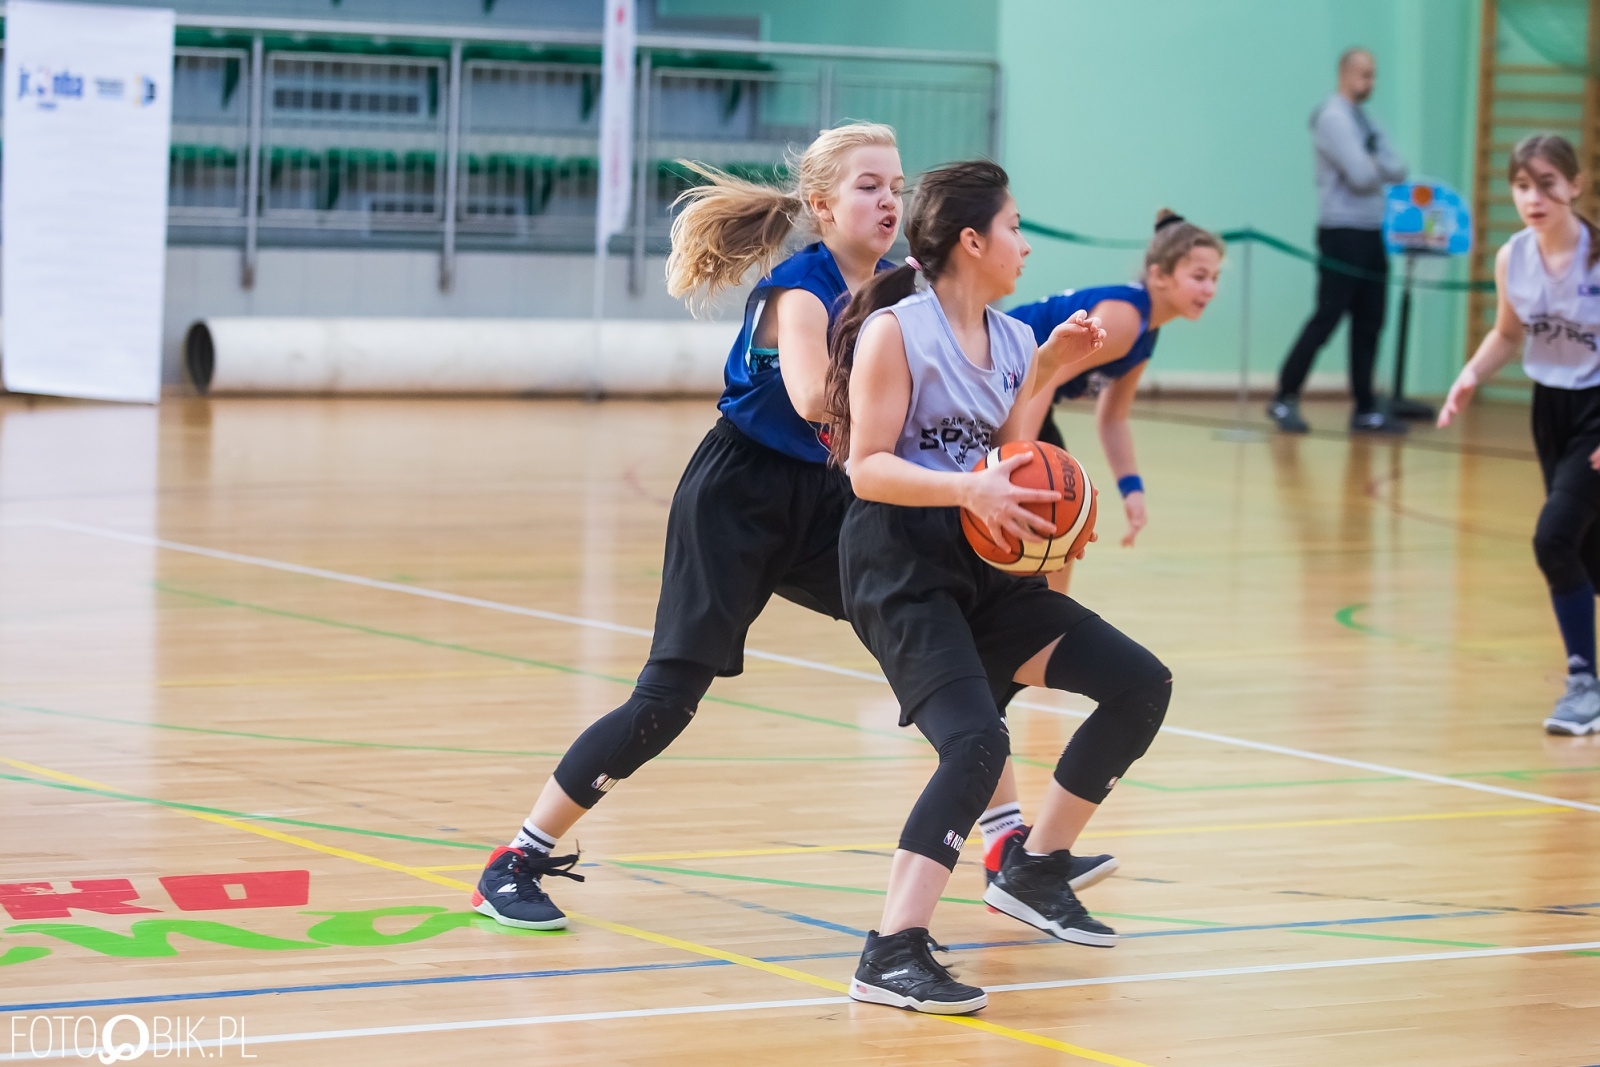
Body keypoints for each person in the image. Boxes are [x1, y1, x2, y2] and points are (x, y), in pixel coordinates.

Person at [468, 122, 911, 930]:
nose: (889, 200)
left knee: (938, 630)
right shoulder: (798, 292)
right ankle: (517, 856)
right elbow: (816, 400)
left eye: (897, 186)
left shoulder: (899, 286)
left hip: (827, 494)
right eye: (869, 186)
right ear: (822, 203)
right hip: (736, 496)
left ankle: (1010, 844)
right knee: (666, 702)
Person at [825, 160, 1173, 1014]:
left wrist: (1049, 369)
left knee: (1139, 683)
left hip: (984, 562)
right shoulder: (896, 332)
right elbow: (866, 467)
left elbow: (1014, 452)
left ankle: (1034, 865)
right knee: (977, 743)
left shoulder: (1016, 339)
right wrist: (968, 488)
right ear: (973, 241)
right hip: (898, 565)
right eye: (1016, 225)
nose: (1026, 243)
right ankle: (891, 948)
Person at [1438, 133, 1600, 737]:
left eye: (1548, 184)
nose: (1535, 197)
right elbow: (1508, 332)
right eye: (1524, 186)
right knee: (1588, 552)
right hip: (1550, 410)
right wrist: (1470, 374)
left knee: (1554, 539)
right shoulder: (1514, 257)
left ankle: (1583, 683)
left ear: (1575, 185)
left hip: (1596, 408)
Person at [1268, 46, 1409, 435]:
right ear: (1346, 74)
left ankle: (1365, 407)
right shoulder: (1333, 117)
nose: (1371, 82)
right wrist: (1375, 165)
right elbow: (1362, 176)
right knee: (1327, 317)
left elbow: (1399, 167)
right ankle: (1284, 397)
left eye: (1374, 75)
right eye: (1365, 74)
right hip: (1342, 231)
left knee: (1370, 321)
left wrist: (1373, 164)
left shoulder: (1365, 119)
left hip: (1370, 230)